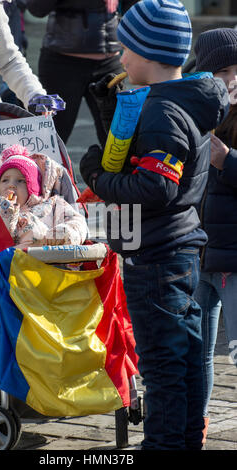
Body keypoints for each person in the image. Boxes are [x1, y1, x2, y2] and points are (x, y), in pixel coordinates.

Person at [79, 0, 229, 450]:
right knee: (183, 360)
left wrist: (97, 177)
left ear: (147, 54)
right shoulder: (184, 100)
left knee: (162, 364)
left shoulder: (163, 113)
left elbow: (155, 187)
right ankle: (185, 438)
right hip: (180, 246)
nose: (121, 59)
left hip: (158, 256)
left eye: (126, 50)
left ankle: (163, 443)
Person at [193, 28, 237, 443]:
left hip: (233, 258)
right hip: (197, 255)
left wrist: (228, 160)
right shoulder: (193, 113)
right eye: (222, 70)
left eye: (236, 70)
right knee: (199, 351)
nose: (230, 79)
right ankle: (198, 420)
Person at [26, 0, 136, 147]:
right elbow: (36, 8)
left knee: (118, 144)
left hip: (109, 63)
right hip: (62, 64)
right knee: (49, 144)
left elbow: (136, 9)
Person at [0, 144, 88, 247]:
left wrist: (64, 233)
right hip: (12, 258)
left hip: (48, 255)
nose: (11, 185)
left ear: (34, 188)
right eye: (5, 180)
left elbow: (79, 223)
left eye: (20, 181)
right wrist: (4, 211)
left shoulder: (53, 205)